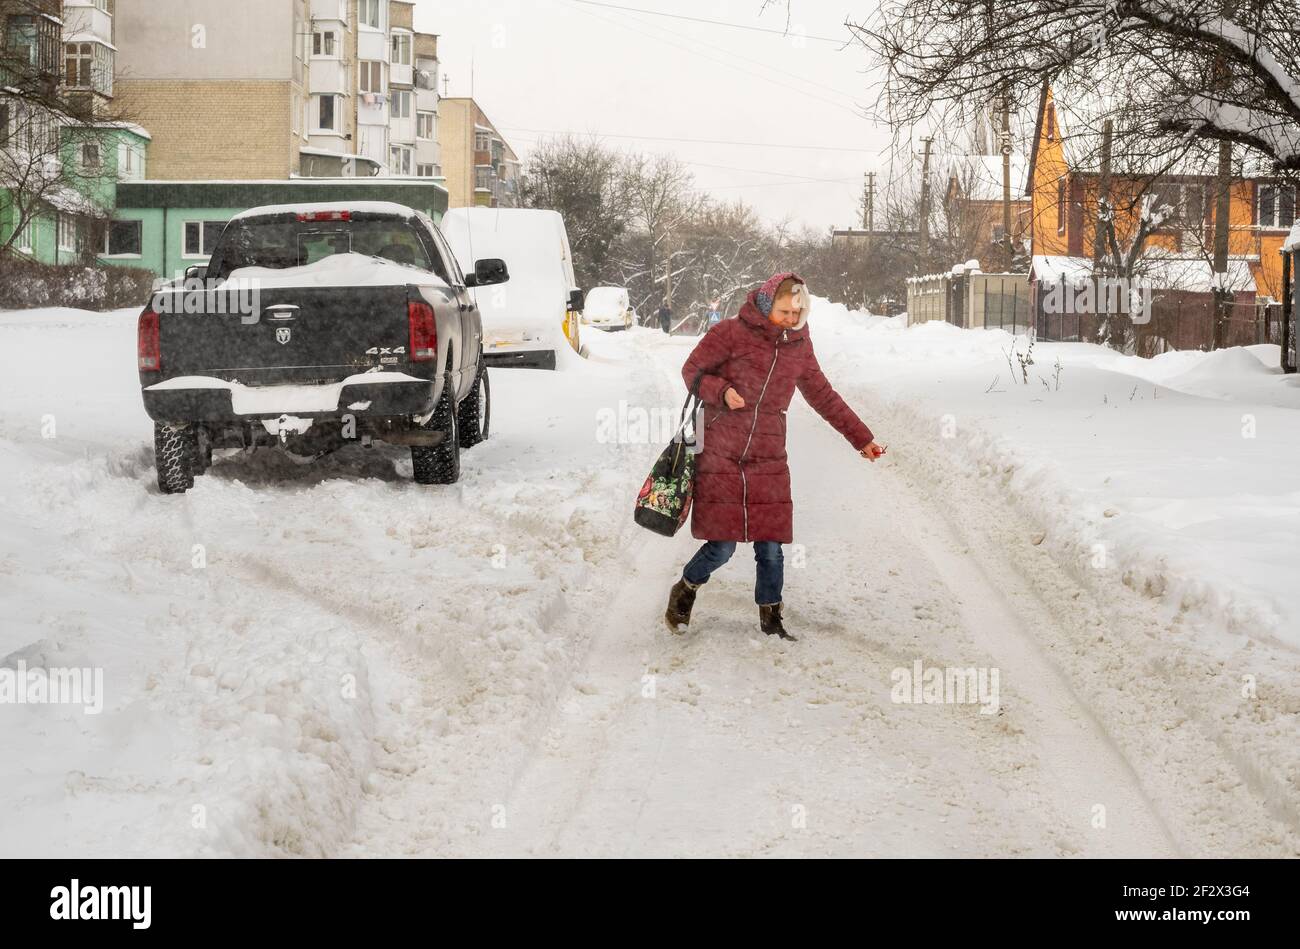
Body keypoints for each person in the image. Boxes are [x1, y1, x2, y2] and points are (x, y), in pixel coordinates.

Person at [664, 272, 886, 642]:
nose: (791, 319)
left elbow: (823, 395)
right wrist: (721, 391)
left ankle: (771, 617)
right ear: (767, 304)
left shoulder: (798, 345)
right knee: (722, 545)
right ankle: (686, 587)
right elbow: (692, 371)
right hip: (722, 448)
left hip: (768, 453)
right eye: (784, 311)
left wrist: (861, 439)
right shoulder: (730, 334)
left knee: (771, 546)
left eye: (797, 312)